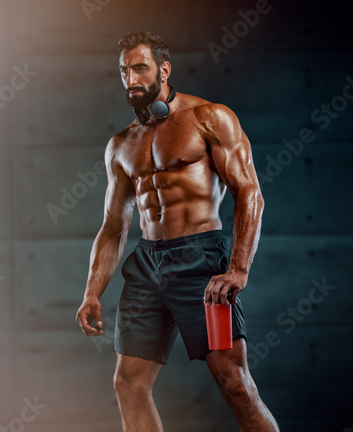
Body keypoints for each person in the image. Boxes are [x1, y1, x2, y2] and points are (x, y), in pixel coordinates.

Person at [76, 31, 280, 432]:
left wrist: (238, 268)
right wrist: (91, 292)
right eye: (124, 71)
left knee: (234, 383)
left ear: (164, 70)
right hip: (147, 266)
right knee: (128, 384)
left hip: (201, 263)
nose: (131, 78)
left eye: (140, 68)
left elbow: (249, 193)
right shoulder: (120, 145)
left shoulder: (209, 118)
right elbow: (115, 226)